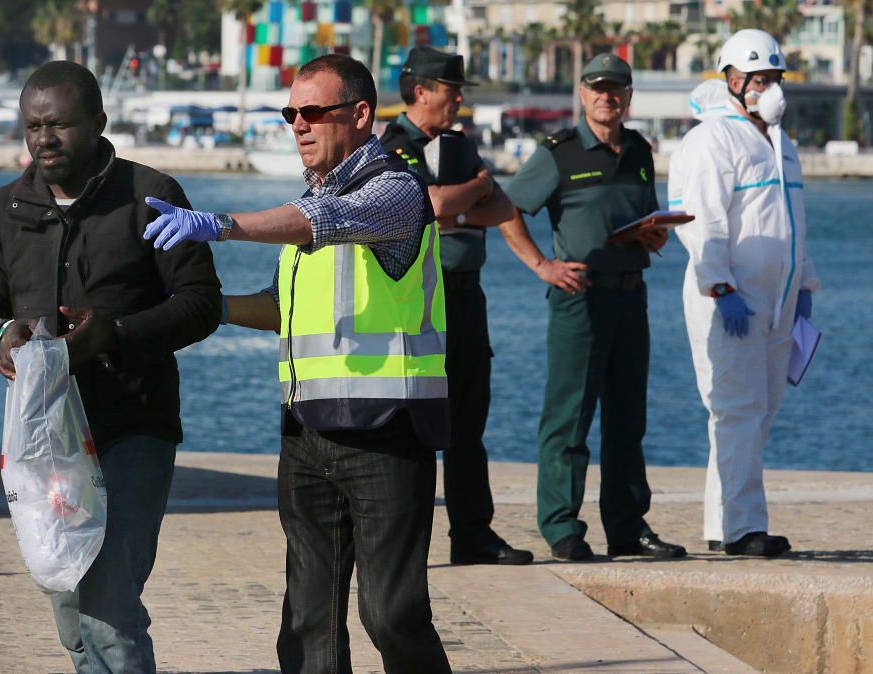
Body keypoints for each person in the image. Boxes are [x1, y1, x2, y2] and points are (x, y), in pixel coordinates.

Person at [142, 54, 452, 673]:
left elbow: (322, 222)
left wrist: (221, 225)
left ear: (361, 115)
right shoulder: (309, 208)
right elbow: (283, 306)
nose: (299, 125)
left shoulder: (393, 191)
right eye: (291, 113)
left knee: (391, 614)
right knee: (308, 622)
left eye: (313, 112)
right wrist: (211, 308)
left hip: (385, 435)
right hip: (306, 435)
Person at [0, 61, 223, 672]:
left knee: (107, 605)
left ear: (99, 122)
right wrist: (1, 337)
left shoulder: (151, 196)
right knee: (71, 605)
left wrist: (117, 334)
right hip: (44, 439)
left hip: (134, 425)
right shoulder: (3, 209)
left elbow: (202, 303)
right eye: (32, 127)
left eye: (59, 125)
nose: (43, 139)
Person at [498, 53, 686, 562]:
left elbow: (641, 211)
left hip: (632, 295)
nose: (608, 96)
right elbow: (507, 208)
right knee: (569, 418)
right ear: (582, 94)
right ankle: (563, 528)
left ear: (628, 96)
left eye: (617, 88)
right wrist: (542, 265)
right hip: (578, 299)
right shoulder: (558, 152)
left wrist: (652, 235)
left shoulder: (641, 150)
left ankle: (627, 528)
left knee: (628, 419)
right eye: (598, 88)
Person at [668, 29, 819, 557]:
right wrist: (720, 286)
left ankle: (724, 521)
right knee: (737, 411)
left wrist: (804, 285)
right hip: (730, 301)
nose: (768, 88)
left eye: (774, 79)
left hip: (778, 303)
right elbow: (701, 221)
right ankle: (742, 528)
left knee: (760, 412)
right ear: (731, 81)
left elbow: (792, 221)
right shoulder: (713, 140)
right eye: (758, 79)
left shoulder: (782, 144)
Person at [378, 47, 532, 566]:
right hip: (423, 298)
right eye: (452, 90)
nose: (460, 100)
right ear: (421, 91)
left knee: (470, 421)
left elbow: (502, 208)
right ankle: (409, 542)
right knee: (418, 422)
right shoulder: (392, 147)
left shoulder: (457, 147)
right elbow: (434, 206)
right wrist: (474, 192)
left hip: (468, 296)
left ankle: (473, 533)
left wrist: (460, 207)